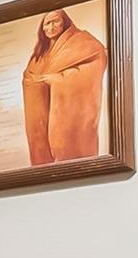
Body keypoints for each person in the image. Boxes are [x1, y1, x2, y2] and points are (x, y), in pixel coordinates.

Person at [21, 8, 108, 164]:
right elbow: (29, 76)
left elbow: (92, 66)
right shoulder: (40, 53)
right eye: (46, 23)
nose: (50, 27)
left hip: (70, 122)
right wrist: (35, 83)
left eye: (55, 21)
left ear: (65, 23)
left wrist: (58, 79)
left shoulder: (83, 42)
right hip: (44, 113)